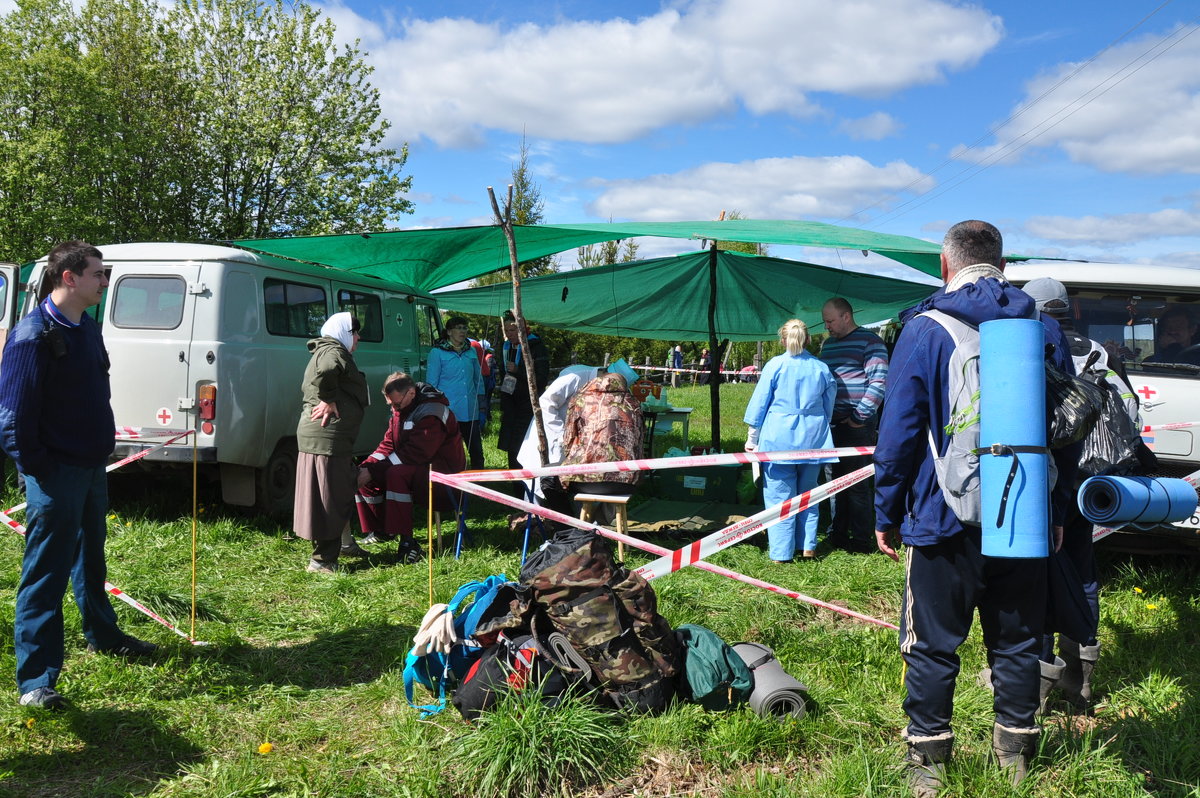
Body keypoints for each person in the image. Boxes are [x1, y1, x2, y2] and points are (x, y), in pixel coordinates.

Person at [873, 221, 1078, 794]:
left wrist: (887, 512)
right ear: (1003, 264)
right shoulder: (1040, 326)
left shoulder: (925, 327)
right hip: (1026, 512)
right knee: (1016, 640)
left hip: (942, 517)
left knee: (933, 643)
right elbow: (1066, 429)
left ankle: (929, 765)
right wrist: (1056, 510)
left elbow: (899, 432)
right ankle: (1013, 757)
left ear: (946, 264)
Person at [0, 241, 156, 710]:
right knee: (44, 574)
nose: (105, 282)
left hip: (91, 467)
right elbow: (12, 418)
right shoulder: (33, 335)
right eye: (98, 274)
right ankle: (35, 681)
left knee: (91, 558)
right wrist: (41, 470)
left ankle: (103, 635)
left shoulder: (85, 328)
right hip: (56, 473)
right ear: (69, 278)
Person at [1022, 277, 1151, 712]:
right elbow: (1129, 409)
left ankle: (1036, 690)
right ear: (1068, 309)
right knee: (1082, 569)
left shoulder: (1030, 345)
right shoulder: (1100, 351)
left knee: (1037, 577)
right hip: (1089, 482)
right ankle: (1080, 680)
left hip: (1045, 479)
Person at [743, 320, 836, 562]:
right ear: (807, 340)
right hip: (814, 437)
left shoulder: (775, 365)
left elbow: (760, 403)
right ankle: (807, 546)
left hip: (778, 438)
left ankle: (781, 553)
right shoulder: (821, 368)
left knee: (779, 496)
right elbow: (829, 406)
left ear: (783, 340)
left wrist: (752, 437)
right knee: (809, 492)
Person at [356, 372, 465, 564]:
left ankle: (407, 540)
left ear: (411, 393)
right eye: (390, 404)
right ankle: (381, 530)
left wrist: (374, 470)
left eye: (396, 404)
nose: (393, 408)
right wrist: (368, 465)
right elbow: (389, 444)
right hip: (420, 467)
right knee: (362, 471)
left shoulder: (433, 412)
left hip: (443, 475)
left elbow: (418, 453)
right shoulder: (402, 409)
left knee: (394, 474)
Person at [293, 312, 370, 574]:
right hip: (326, 440)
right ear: (343, 332)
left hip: (326, 440)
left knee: (330, 496)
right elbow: (327, 371)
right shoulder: (332, 350)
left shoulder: (328, 349)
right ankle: (323, 561)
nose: (358, 338)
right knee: (330, 499)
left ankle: (338, 548)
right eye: (355, 332)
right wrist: (327, 397)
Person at [819, 298, 889, 554]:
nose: (827, 326)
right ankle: (838, 534)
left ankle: (861, 541)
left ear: (846, 316)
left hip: (857, 425)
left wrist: (858, 417)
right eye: (825, 321)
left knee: (857, 485)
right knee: (834, 482)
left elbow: (879, 383)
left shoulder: (870, 342)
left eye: (830, 321)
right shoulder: (827, 346)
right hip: (832, 424)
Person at [428, 316, 485, 469]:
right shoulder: (437, 352)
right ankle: (453, 487)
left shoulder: (471, 351)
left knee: (477, 453)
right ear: (448, 331)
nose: (462, 331)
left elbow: (478, 380)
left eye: (464, 328)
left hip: (471, 411)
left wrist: (482, 406)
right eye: (458, 328)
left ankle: (480, 487)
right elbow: (432, 385)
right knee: (452, 453)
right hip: (449, 412)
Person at [497, 311, 550, 470]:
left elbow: (541, 378)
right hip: (510, 405)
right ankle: (515, 481)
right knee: (511, 445)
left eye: (513, 330)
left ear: (523, 329)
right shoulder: (506, 347)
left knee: (523, 443)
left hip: (528, 406)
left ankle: (527, 480)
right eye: (506, 331)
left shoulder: (535, 346)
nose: (509, 334)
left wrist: (518, 372)